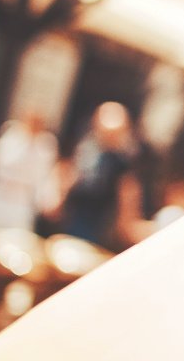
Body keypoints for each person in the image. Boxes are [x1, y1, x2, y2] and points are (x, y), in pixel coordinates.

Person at [52, 102, 150, 252]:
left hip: (98, 230)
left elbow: (128, 199)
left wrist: (128, 227)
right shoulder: (86, 151)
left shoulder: (123, 163)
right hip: (72, 221)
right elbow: (70, 175)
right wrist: (60, 197)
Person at [0, 111, 59, 232]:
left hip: (22, 202)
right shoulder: (11, 135)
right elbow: (3, 161)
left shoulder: (46, 144)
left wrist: (48, 199)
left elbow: (44, 175)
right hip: (1, 195)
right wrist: (27, 141)